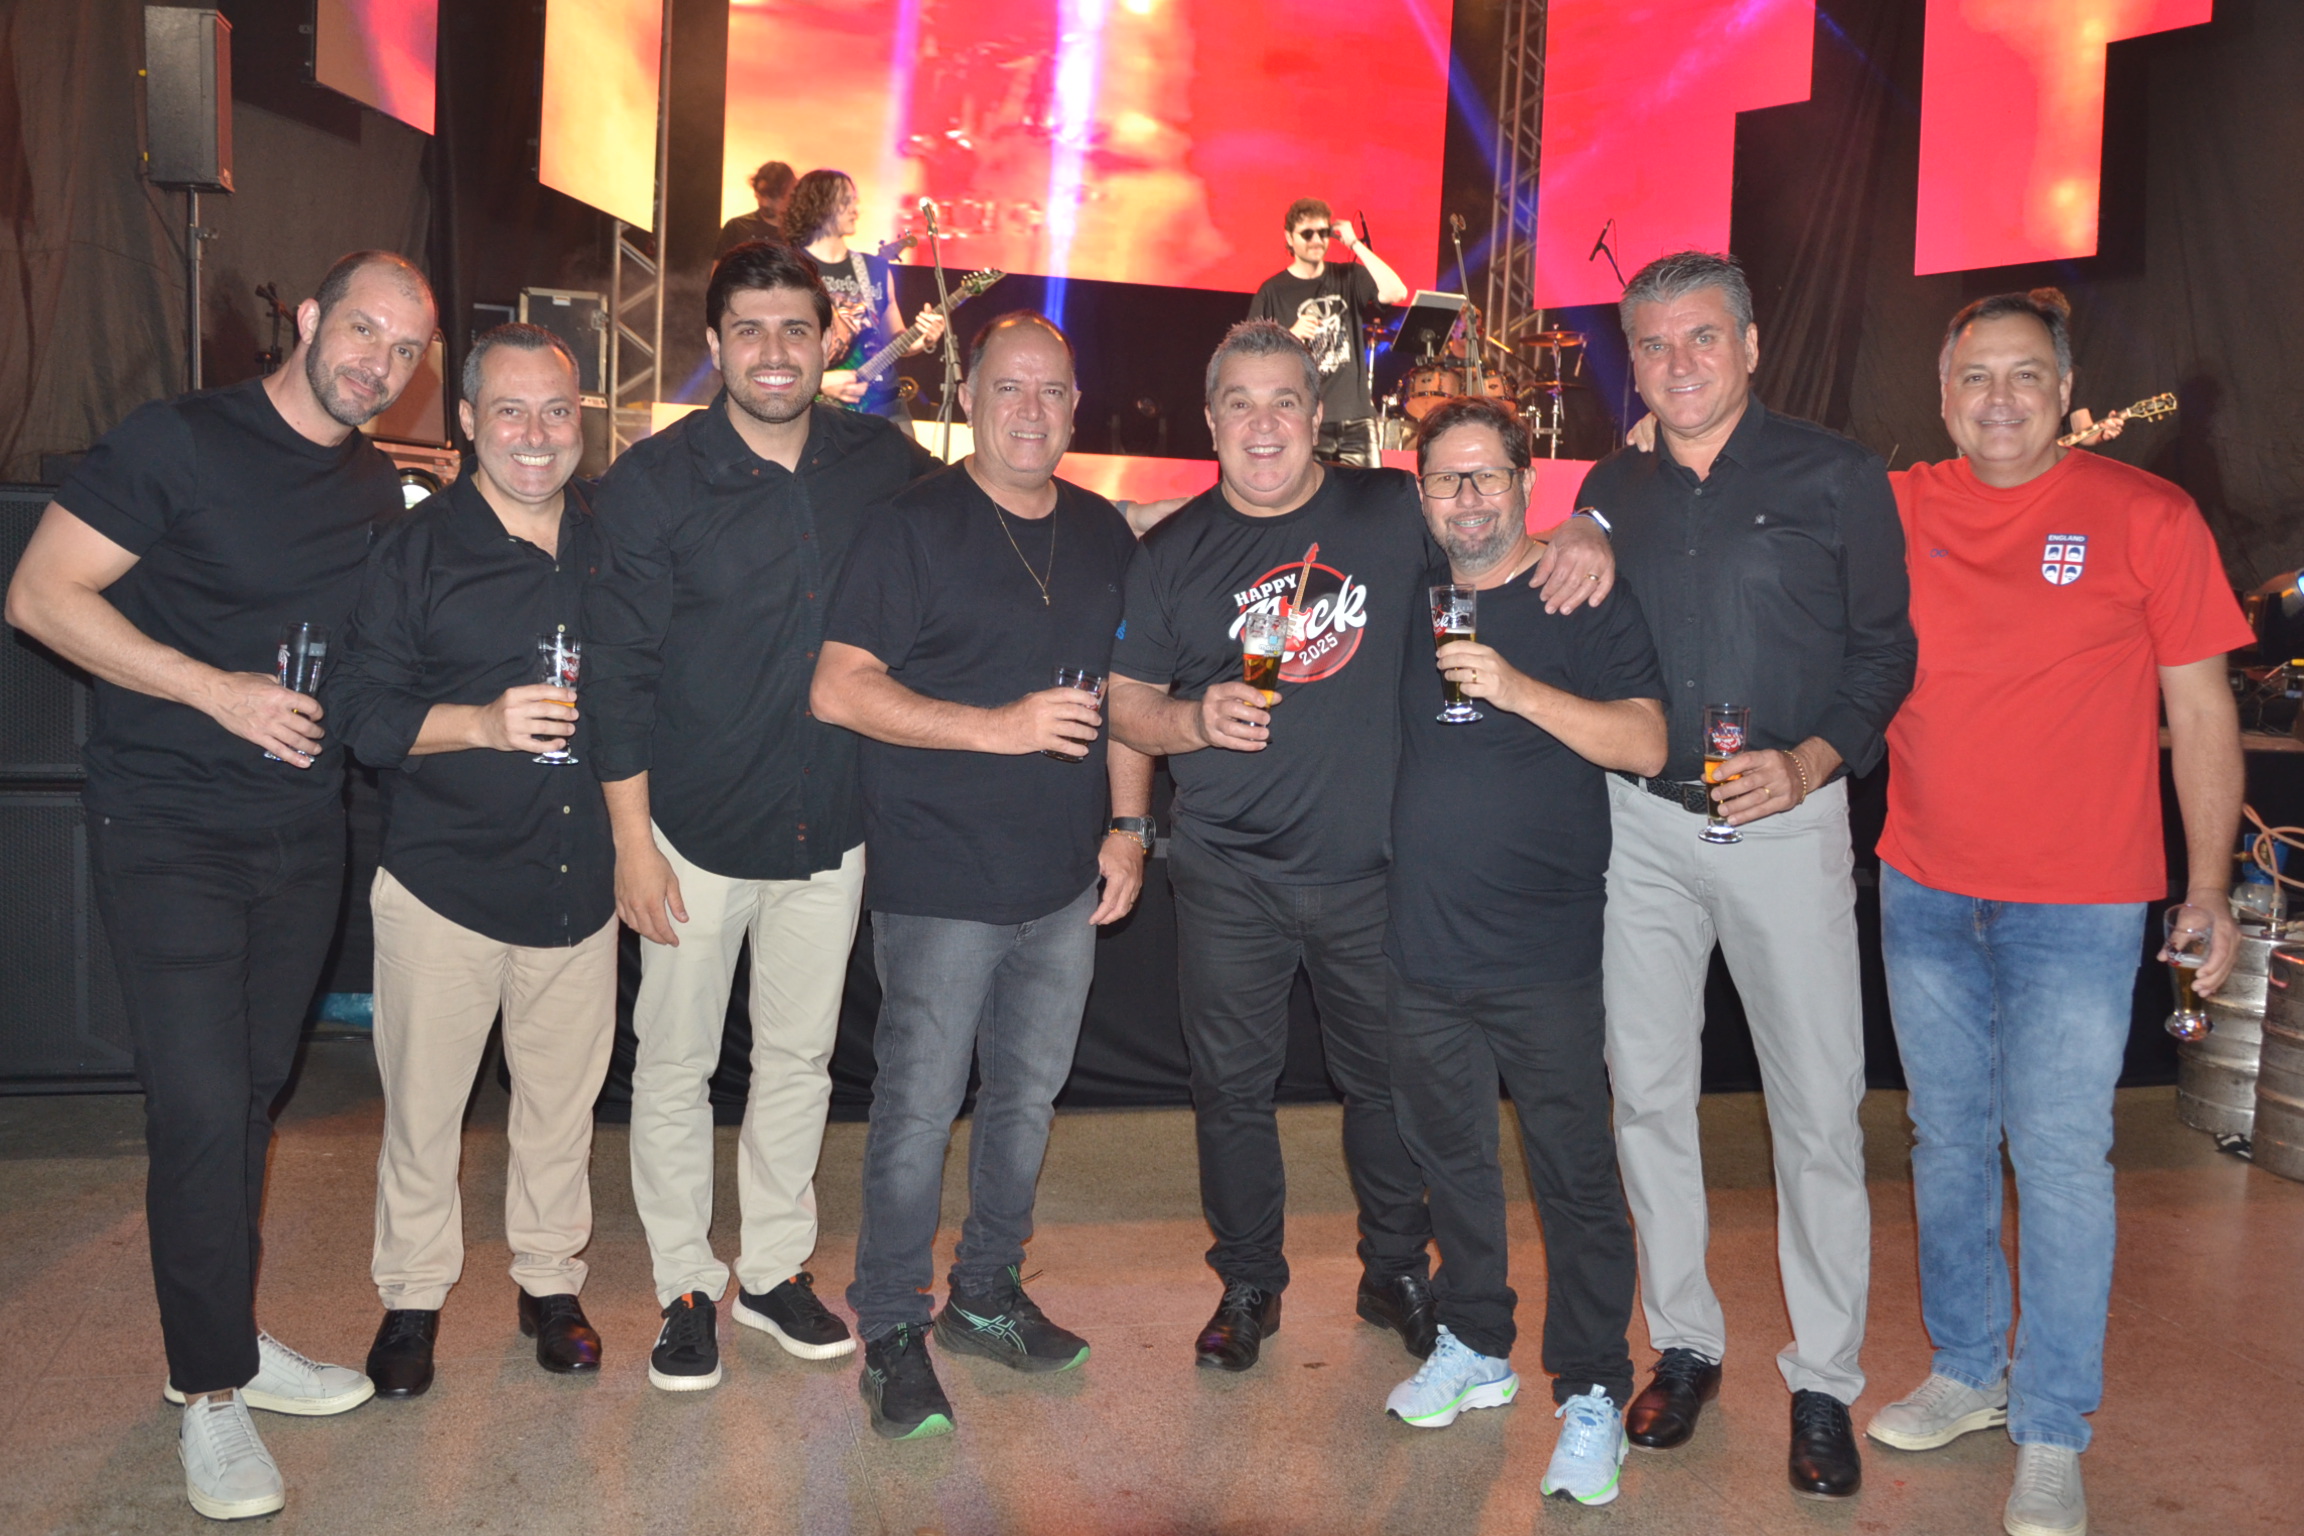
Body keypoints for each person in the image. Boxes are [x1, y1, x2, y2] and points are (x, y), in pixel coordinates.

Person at [4, 250, 438, 1521]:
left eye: (405, 349)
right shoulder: (178, 441)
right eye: (362, 330)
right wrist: (214, 690)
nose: (378, 362)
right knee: (200, 1113)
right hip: (171, 832)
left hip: (300, 836)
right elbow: (38, 595)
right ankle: (207, 1393)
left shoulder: (372, 485)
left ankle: (228, 1342)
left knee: (250, 1100)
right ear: (307, 320)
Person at [1107, 321, 1614, 1375]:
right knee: (1231, 1092)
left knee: (1389, 1091)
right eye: (1240, 403)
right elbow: (1127, 707)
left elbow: (1493, 532)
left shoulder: (1389, 511)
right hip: (1229, 876)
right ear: (1210, 422)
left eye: (1284, 401)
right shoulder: (1172, 553)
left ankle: (1395, 1270)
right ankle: (1249, 1282)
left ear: (1317, 417)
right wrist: (1192, 721)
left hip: (1375, 871)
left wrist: (1588, 525)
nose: (1263, 425)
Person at [1861, 289, 2248, 1536]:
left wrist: (2207, 887)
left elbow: (2201, 712)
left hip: (2080, 906)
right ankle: (1971, 1368)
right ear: (1942, 396)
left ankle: (2051, 1425)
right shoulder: (1895, 507)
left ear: (2066, 391)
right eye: (1976, 376)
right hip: (1925, 886)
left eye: (2026, 375)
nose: (2000, 399)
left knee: (2063, 1159)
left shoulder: (2147, 516)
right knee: (1945, 1140)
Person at [1578, 250, 1914, 1500]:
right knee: (1648, 1098)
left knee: (1817, 1113)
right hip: (1643, 833)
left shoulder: (1838, 475)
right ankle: (1686, 1342)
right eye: (1654, 344)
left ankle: (1823, 1377)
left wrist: (1814, 759)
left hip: (1785, 826)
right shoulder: (1612, 485)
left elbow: (1885, 652)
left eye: (1702, 337)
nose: (1678, 363)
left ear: (1753, 344)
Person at [583, 241, 934, 1394]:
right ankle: (687, 1285)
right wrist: (632, 844)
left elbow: (963, 556)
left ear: (829, 338)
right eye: (749, 330)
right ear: (714, 343)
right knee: (675, 1065)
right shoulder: (651, 482)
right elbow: (617, 677)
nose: (773, 352)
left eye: (795, 328)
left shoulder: (882, 463)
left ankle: (776, 1271)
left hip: (829, 825)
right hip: (687, 831)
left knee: (799, 1060)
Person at [811, 312, 1153, 1439]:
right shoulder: (911, 525)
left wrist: (1127, 828)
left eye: (1052, 390)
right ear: (970, 398)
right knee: (917, 1111)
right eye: (1010, 387)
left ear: (1075, 406)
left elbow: (1124, 699)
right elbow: (839, 687)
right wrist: (997, 727)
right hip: (941, 882)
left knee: (1025, 1101)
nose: (1030, 410)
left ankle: (987, 1294)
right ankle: (891, 1325)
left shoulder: (1101, 530)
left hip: (1062, 881)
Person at [1377, 398, 1665, 1508]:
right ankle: (1475, 1343)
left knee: (1574, 1178)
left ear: (1526, 482)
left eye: (1487, 476)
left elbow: (1647, 740)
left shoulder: (1576, 592)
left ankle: (1592, 1387)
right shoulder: (1410, 595)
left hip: (1544, 951)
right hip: (1424, 948)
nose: (1468, 499)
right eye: (1446, 481)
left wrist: (1517, 687)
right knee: (1451, 1161)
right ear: (1421, 496)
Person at [328, 324, 618, 1398]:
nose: (536, 434)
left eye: (556, 410)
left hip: (578, 882)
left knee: (560, 1111)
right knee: (425, 1114)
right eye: (509, 410)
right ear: (465, 422)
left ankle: (550, 1285)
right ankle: (411, 1299)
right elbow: (359, 714)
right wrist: (483, 725)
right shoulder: (415, 549)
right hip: (444, 884)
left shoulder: (611, 541)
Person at [1246, 198, 1408, 468]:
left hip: (1357, 418)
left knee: (1370, 493)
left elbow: (1397, 292)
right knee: (1310, 495)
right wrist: (1290, 336)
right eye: (1307, 233)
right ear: (1289, 237)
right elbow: (1251, 358)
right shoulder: (1272, 291)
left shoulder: (1349, 276)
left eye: (1322, 232)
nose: (1316, 240)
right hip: (1304, 420)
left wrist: (1355, 244)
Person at [787, 168, 948, 425]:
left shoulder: (874, 268)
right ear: (819, 204)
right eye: (847, 201)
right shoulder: (789, 267)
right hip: (822, 409)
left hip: (885, 404)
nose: (856, 210)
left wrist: (923, 338)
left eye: (855, 201)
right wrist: (819, 382)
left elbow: (894, 339)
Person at [716, 160, 797, 256]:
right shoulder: (736, 227)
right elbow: (720, 265)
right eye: (761, 194)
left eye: (773, 197)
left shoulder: (800, 232)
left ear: (790, 194)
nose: (764, 203)